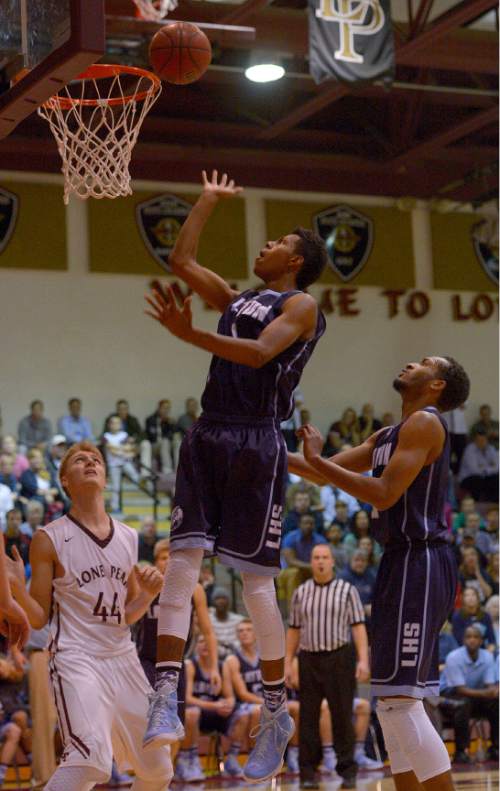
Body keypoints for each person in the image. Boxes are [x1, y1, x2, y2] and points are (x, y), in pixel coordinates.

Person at [143, 168, 328, 783]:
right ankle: (164, 697)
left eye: (277, 241)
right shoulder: (239, 297)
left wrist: (186, 333)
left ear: (296, 260)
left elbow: (255, 353)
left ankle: (275, 714)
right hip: (208, 431)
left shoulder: (300, 304)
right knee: (181, 565)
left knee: (254, 585)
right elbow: (181, 257)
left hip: (256, 442)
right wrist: (207, 200)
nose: (265, 245)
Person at [291, 355, 471, 791]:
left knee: (401, 701)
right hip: (398, 561)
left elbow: (385, 494)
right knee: (388, 703)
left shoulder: (428, 423)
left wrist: (319, 462)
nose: (412, 363)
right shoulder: (389, 434)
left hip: (421, 560)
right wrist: (262, 449)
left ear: (437, 386)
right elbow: (320, 472)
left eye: (426, 363)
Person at [5, 440, 173, 791]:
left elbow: (125, 615)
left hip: (123, 658)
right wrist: (19, 588)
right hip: (76, 657)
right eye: (80, 460)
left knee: (159, 769)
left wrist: (148, 595)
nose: (90, 462)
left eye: (96, 459)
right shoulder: (48, 538)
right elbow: (38, 618)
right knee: (90, 759)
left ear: (106, 478)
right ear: (65, 480)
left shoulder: (127, 536)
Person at [134, 538, 220, 784]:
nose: (168, 562)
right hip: (147, 662)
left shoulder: (194, 588)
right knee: (149, 721)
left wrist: (213, 667)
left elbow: (208, 630)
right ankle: (144, 774)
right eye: (163, 558)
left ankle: (164, 779)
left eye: (172, 557)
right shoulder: (146, 587)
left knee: (174, 726)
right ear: (155, 562)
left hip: (177, 666)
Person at [285, 543, 369, 789]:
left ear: (332, 561)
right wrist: (288, 662)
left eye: (324, 557)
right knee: (308, 717)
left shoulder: (347, 590)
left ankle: (347, 769)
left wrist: (363, 660)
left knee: (342, 714)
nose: (320, 561)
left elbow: (358, 627)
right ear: (311, 562)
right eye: (316, 557)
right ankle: (308, 772)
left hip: (340, 658)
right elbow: (293, 630)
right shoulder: (301, 592)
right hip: (309, 659)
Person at [224, 619, 301, 774]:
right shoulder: (233, 660)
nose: (244, 633)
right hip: (246, 704)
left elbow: (281, 686)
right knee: (257, 710)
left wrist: (277, 703)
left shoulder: (268, 657)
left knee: (295, 707)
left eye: (248, 630)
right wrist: (270, 704)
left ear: (256, 635)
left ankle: (293, 753)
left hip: (270, 701)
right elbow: (243, 694)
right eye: (240, 631)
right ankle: (256, 756)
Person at [184, 634, 251, 778]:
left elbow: (230, 696)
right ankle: (191, 760)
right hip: (199, 714)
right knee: (192, 712)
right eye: (201, 641)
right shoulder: (190, 665)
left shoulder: (222, 666)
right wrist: (214, 705)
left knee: (244, 712)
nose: (205, 645)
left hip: (218, 714)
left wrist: (228, 706)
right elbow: (187, 698)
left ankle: (232, 759)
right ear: (196, 646)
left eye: (209, 642)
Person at [440, 624, 498, 763]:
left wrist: (492, 693)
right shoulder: (453, 657)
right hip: (448, 697)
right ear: (463, 640)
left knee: (496, 703)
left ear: (481, 640)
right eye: (468, 637)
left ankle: (495, 748)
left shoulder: (488, 657)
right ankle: (461, 751)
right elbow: (460, 689)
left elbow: (490, 685)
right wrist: (488, 693)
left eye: (476, 637)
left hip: (474, 697)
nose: (472, 640)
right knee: (463, 703)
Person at [278, 514, 327, 606]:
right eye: (305, 523)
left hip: (310, 569)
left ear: (314, 525)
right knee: (294, 573)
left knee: (325, 573)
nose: (308, 526)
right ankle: (293, 612)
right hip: (288, 570)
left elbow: (323, 560)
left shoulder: (320, 540)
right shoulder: (290, 537)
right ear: (300, 524)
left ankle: (322, 610)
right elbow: (290, 561)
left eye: (311, 523)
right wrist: (310, 566)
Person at [103, 415, 140, 513]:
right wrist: (124, 450)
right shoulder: (106, 436)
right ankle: (115, 507)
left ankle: (135, 492)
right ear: (109, 425)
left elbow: (130, 447)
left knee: (135, 475)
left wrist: (121, 449)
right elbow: (111, 449)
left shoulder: (124, 434)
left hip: (125, 462)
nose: (115, 425)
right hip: (113, 464)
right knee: (115, 487)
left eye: (118, 423)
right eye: (113, 423)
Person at [458, 429, 499, 503]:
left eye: (483, 440)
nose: (481, 442)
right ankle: (476, 505)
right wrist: (490, 467)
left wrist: (484, 468)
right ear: (475, 440)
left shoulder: (491, 449)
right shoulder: (469, 450)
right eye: (479, 440)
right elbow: (474, 470)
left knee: (496, 479)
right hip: (468, 478)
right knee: (477, 480)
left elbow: (497, 467)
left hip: (485, 477)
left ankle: (494, 505)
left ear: (487, 440)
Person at [141, 399, 181, 476]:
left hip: (167, 444)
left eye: (168, 408)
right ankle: (167, 469)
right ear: (159, 408)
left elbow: (176, 434)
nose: (166, 410)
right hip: (155, 445)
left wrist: (172, 425)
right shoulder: (150, 419)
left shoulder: (170, 421)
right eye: (164, 408)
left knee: (178, 441)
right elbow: (150, 435)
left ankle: (179, 469)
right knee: (165, 441)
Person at [208, 587, 244, 659]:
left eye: (224, 598)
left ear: (229, 602)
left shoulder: (238, 620)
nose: (221, 601)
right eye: (217, 598)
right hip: (214, 657)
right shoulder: (208, 620)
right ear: (213, 602)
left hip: (236, 657)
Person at [442, 404, 468, 475]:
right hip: (447, 429)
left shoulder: (461, 393)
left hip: (460, 430)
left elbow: (463, 405)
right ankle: (446, 476)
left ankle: (459, 476)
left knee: (461, 456)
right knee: (446, 456)